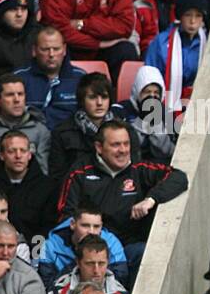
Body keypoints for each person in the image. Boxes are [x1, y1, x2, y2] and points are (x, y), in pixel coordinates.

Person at [57, 119, 187, 278]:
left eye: (126, 144)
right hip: (91, 251)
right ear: (99, 147)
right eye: (116, 145)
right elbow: (65, 216)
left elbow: (179, 177)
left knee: (145, 253)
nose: (123, 150)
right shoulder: (79, 173)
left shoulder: (138, 169)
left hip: (128, 249)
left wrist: (151, 199)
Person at [44, 231, 125, 294]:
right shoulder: (58, 292)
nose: (96, 270)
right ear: (78, 262)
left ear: (108, 262)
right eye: (90, 264)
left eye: (101, 263)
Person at [0, 129, 54, 247]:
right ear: (2, 155)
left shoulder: (47, 187)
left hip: (32, 252)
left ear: (29, 155)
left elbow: (47, 229)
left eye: (23, 151)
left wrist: (35, 257)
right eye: (12, 151)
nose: (18, 156)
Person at [141, 0, 206, 101]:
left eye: (198, 16)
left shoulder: (208, 44)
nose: (193, 21)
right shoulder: (161, 43)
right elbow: (151, 80)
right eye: (188, 15)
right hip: (164, 103)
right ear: (180, 16)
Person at [37, 204, 126, 286]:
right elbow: (46, 285)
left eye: (96, 226)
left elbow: (120, 280)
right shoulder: (51, 245)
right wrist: (79, 262)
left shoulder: (111, 243)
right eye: (85, 225)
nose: (91, 231)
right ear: (72, 224)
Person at [0, 73, 50, 169]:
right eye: (10, 95)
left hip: (30, 183)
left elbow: (43, 171)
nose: (17, 99)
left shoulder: (39, 130)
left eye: (20, 94)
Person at [0, 0, 38, 80]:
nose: (19, 14)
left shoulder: (38, 34)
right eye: (13, 9)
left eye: (24, 8)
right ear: (1, 12)